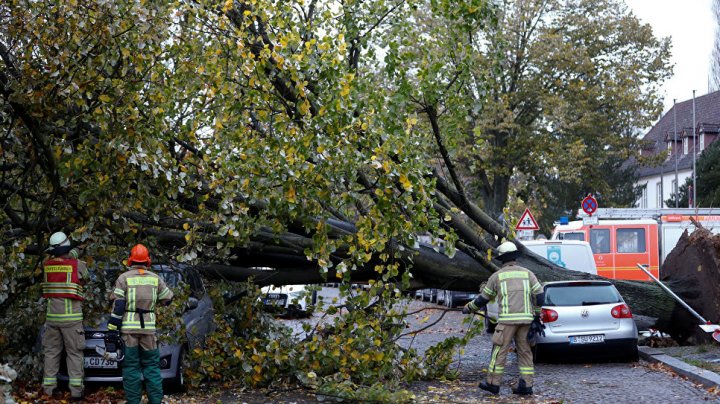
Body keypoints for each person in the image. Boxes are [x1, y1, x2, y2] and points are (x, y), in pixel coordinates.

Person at [463, 241, 544, 396]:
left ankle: (493, 384)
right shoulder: (528, 274)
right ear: (515, 257)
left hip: (507, 322)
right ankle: (526, 386)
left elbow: (483, 299)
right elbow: (539, 295)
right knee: (525, 352)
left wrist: (469, 308)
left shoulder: (497, 276)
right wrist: (536, 314)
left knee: (499, 351)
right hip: (526, 321)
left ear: (502, 259)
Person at [108, 244, 173, 404]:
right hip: (149, 331)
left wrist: (111, 329)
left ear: (131, 260)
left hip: (128, 331)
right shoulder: (154, 278)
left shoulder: (124, 278)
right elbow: (168, 298)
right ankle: (156, 401)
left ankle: (133, 402)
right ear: (147, 261)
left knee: (131, 368)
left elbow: (118, 304)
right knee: (152, 367)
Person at [41, 232, 88, 401]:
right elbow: (84, 277)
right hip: (71, 319)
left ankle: (49, 390)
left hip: (52, 318)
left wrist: (75, 250)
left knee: (51, 353)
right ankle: (76, 392)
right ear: (67, 247)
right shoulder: (78, 265)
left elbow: (63, 259)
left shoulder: (47, 265)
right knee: (74, 354)